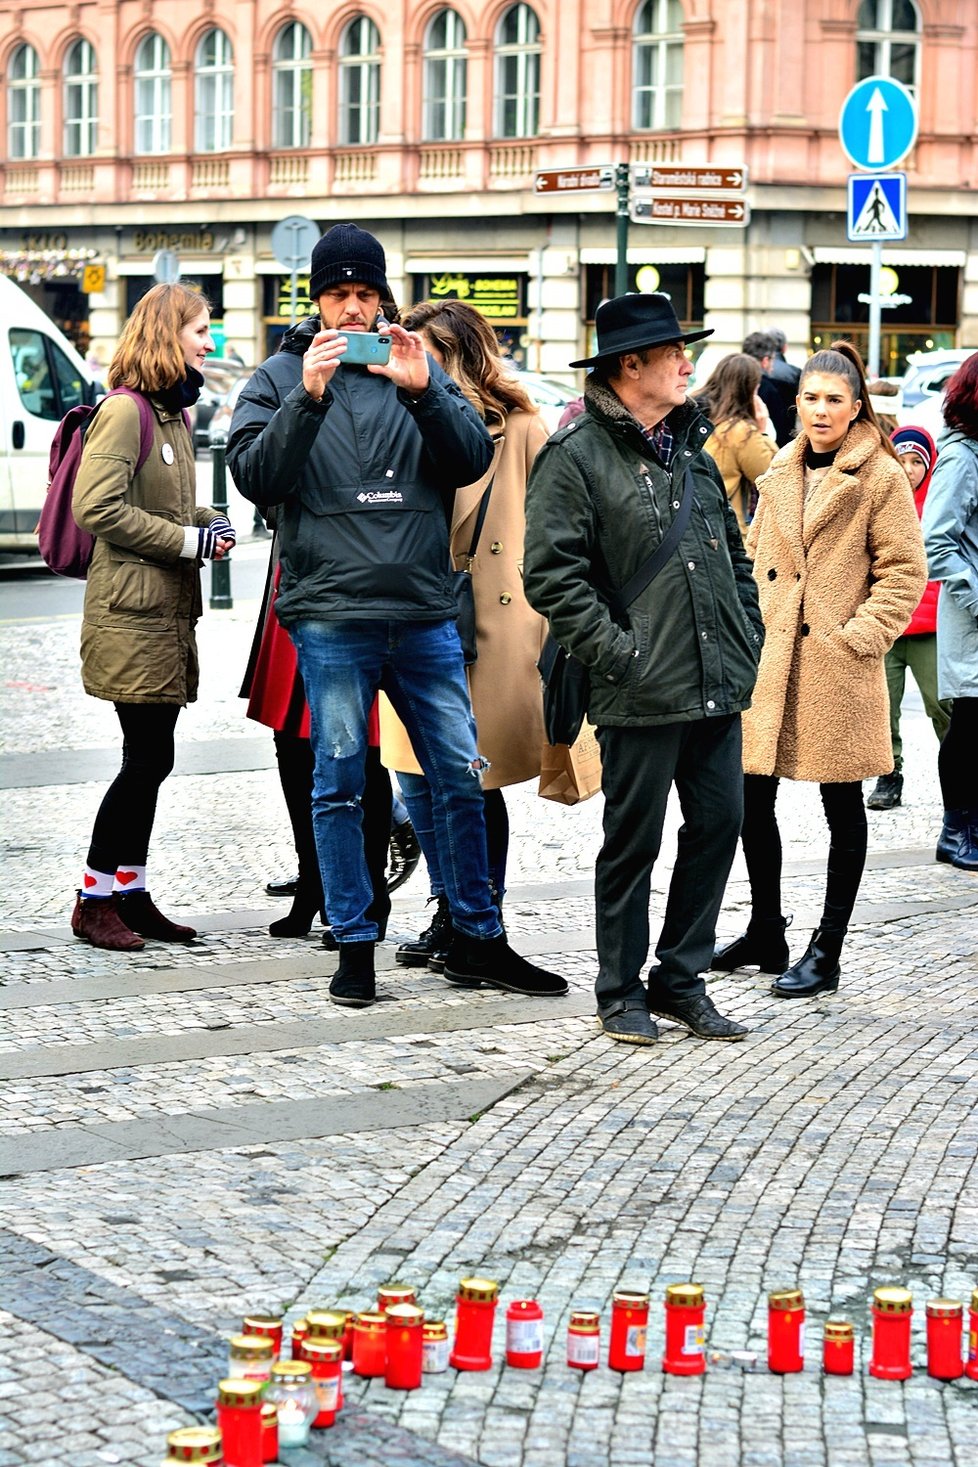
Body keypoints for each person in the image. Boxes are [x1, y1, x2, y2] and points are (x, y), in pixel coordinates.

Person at [227, 221, 567, 1007]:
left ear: (383, 297)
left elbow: (469, 460)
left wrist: (425, 392)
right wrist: (306, 400)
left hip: (421, 608)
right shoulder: (279, 377)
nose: (352, 308)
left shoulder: (413, 365)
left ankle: (481, 934)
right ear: (315, 299)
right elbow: (254, 476)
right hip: (331, 613)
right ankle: (354, 943)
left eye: (365, 293)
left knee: (458, 774)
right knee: (339, 781)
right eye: (338, 294)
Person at [523, 292, 763, 1046]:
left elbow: (735, 554)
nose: (688, 362)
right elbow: (552, 577)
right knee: (635, 841)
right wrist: (620, 655)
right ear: (632, 365)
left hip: (715, 679)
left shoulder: (691, 447)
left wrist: (746, 633)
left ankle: (680, 979)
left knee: (721, 824)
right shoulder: (576, 456)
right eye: (673, 352)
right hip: (636, 689)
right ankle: (620, 988)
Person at [713, 341, 927, 996]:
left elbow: (904, 572)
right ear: (797, 401)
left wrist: (856, 638)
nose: (821, 410)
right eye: (810, 397)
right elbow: (753, 559)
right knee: (751, 797)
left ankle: (827, 948)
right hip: (772, 661)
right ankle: (767, 928)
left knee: (842, 805)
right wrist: (749, 629)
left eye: (835, 399)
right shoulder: (779, 468)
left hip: (837, 665)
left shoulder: (881, 476)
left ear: (857, 406)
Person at [379, 298, 550, 971]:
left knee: (476, 779)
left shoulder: (523, 427)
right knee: (415, 775)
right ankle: (449, 907)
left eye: (430, 354)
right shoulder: (399, 416)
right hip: (414, 612)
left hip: (493, 620)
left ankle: (481, 918)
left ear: (463, 357)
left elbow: (555, 527)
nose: (414, 366)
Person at [70, 283, 235, 951]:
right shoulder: (126, 412)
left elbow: (172, 507)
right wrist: (185, 541)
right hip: (130, 617)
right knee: (144, 759)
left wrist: (209, 521)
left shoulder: (174, 415)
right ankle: (93, 898)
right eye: (200, 329)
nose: (208, 341)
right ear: (170, 335)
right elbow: (96, 507)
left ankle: (130, 892)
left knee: (154, 757)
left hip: (165, 616)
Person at [239, 523, 394, 942]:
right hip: (299, 568)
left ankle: (371, 893)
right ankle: (312, 881)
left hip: (365, 571)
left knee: (363, 749)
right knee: (292, 744)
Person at [866, 426, 950, 811]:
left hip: (930, 625)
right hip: (887, 625)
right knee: (884, 706)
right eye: (903, 459)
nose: (910, 468)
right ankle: (889, 774)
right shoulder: (880, 498)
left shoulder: (939, 501)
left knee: (941, 705)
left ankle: (960, 772)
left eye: (918, 461)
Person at [921, 354, 978, 870]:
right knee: (969, 726)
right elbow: (937, 540)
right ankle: (955, 827)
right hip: (973, 620)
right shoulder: (962, 456)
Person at [694, 352, 776, 535]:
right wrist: (762, 431)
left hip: (698, 526)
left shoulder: (697, 416)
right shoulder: (740, 432)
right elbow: (773, 478)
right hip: (728, 533)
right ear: (749, 390)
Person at [742, 331, 791, 446]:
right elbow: (782, 432)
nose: (773, 365)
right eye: (772, 360)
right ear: (765, 361)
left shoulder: (728, 381)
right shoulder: (772, 390)